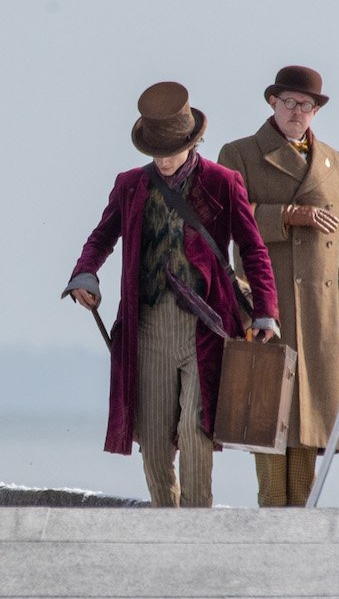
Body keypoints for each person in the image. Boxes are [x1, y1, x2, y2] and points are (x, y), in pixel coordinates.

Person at [63, 81, 279, 508]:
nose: (162, 160)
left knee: (195, 431)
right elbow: (101, 238)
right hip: (147, 327)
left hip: (207, 326)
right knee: (156, 438)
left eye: (170, 150)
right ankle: (166, 522)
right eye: (155, 152)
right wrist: (85, 275)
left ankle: (197, 527)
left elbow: (252, 248)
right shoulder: (130, 185)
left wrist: (266, 312)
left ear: (192, 141)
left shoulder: (223, 182)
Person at [217, 65, 339, 507]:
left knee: (310, 423)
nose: (298, 111)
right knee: (268, 414)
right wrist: (285, 215)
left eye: (307, 105)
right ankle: (272, 519)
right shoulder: (239, 153)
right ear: (272, 103)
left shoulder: (333, 160)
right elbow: (221, 223)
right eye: (290, 103)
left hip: (320, 310)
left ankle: (300, 519)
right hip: (266, 308)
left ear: (316, 110)